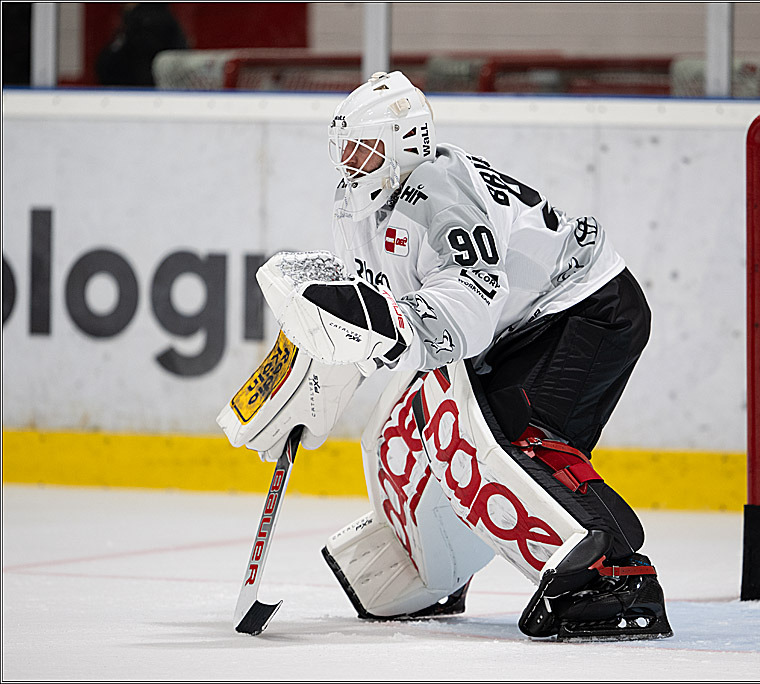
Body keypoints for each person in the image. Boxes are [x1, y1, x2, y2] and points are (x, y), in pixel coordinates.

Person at [220, 70, 671, 641]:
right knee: (405, 424)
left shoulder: (439, 191)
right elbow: (369, 311)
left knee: (509, 430)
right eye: (345, 151)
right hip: (524, 325)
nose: (350, 164)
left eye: (364, 149)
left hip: (588, 309)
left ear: (406, 143)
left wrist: (383, 323)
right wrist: (313, 388)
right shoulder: (363, 204)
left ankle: (613, 577)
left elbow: (469, 311)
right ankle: (433, 568)